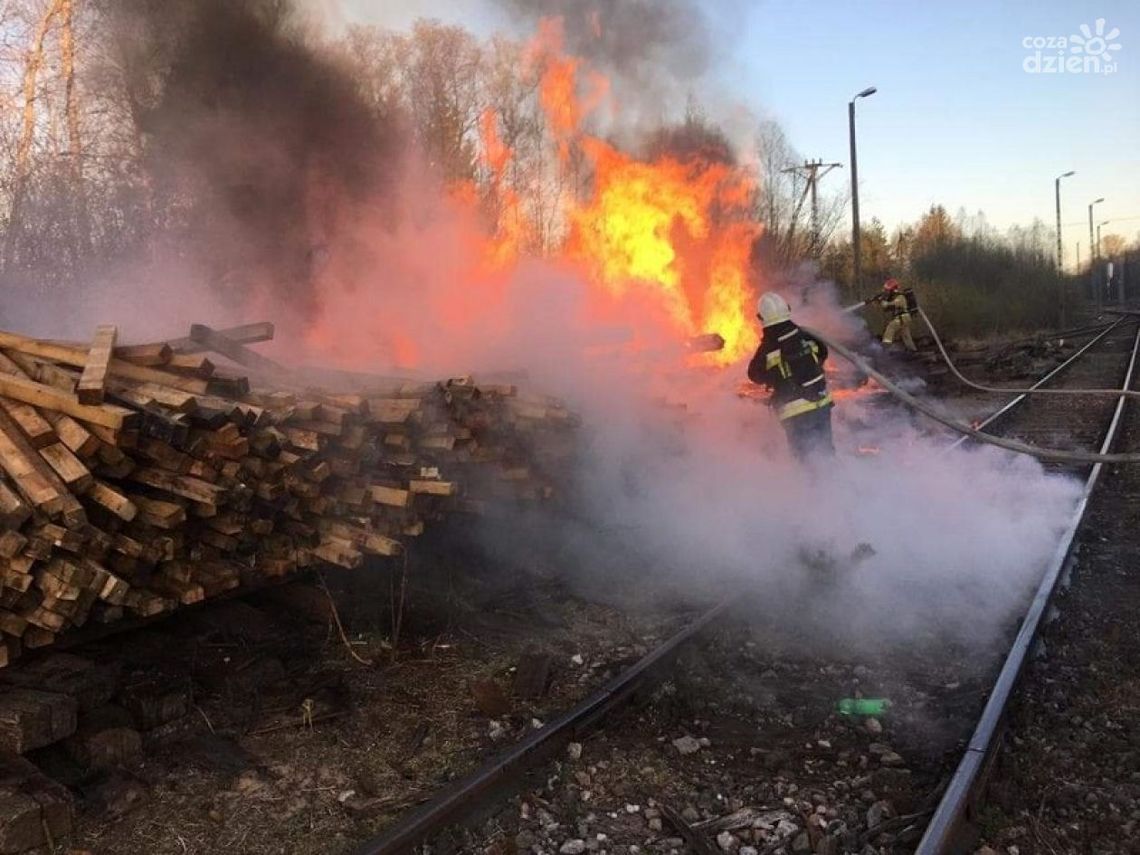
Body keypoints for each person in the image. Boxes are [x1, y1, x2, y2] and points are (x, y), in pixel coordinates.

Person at [747, 292, 835, 460]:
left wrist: (774, 377)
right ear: (787, 309)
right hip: (822, 403)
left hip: (797, 413)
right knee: (826, 454)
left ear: (762, 318)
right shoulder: (804, 335)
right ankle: (838, 477)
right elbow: (823, 353)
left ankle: (815, 478)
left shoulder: (769, 347)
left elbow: (754, 375)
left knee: (805, 460)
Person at [870, 278, 917, 352]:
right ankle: (913, 350)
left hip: (903, 317)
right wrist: (877, 301)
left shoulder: (900, 297)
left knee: (891, 327)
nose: (887, 292)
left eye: (888, 290)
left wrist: (882, 301)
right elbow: (886, 309)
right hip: (902, 318)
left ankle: (886, 346)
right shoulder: (893, 298)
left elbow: (890, 304)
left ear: (893, 290)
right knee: (906, 335)